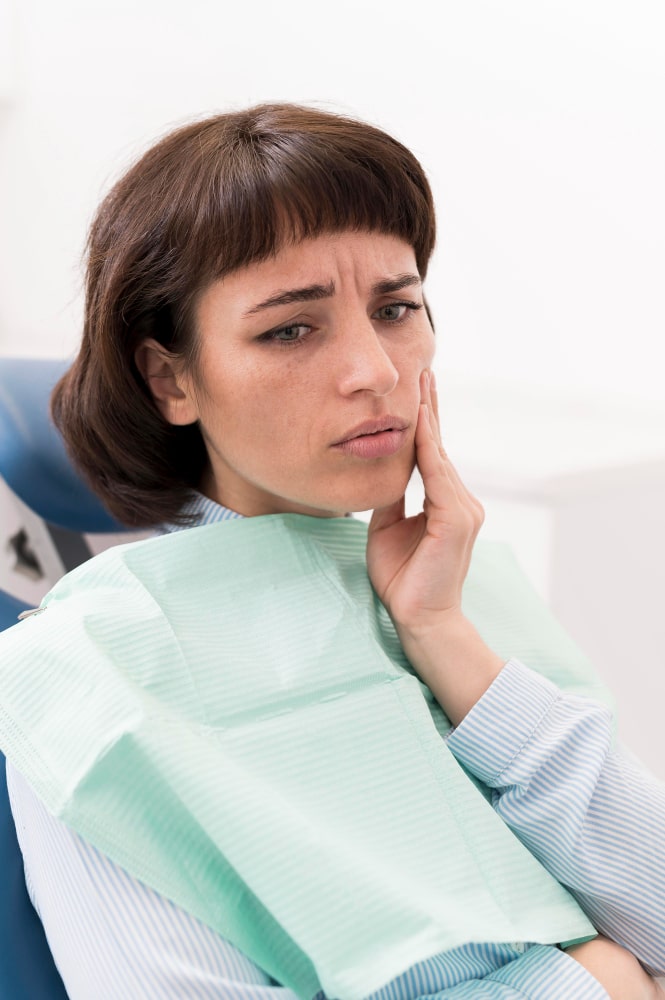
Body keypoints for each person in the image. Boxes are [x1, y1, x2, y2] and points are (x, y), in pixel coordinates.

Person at [1, 103, 664, 1000]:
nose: (375, 370)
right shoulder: (87, 671)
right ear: (171, 378)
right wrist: (580, 990)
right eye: (290, 329)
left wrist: (441, 637)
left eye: (396, 308)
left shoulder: (461, 592)